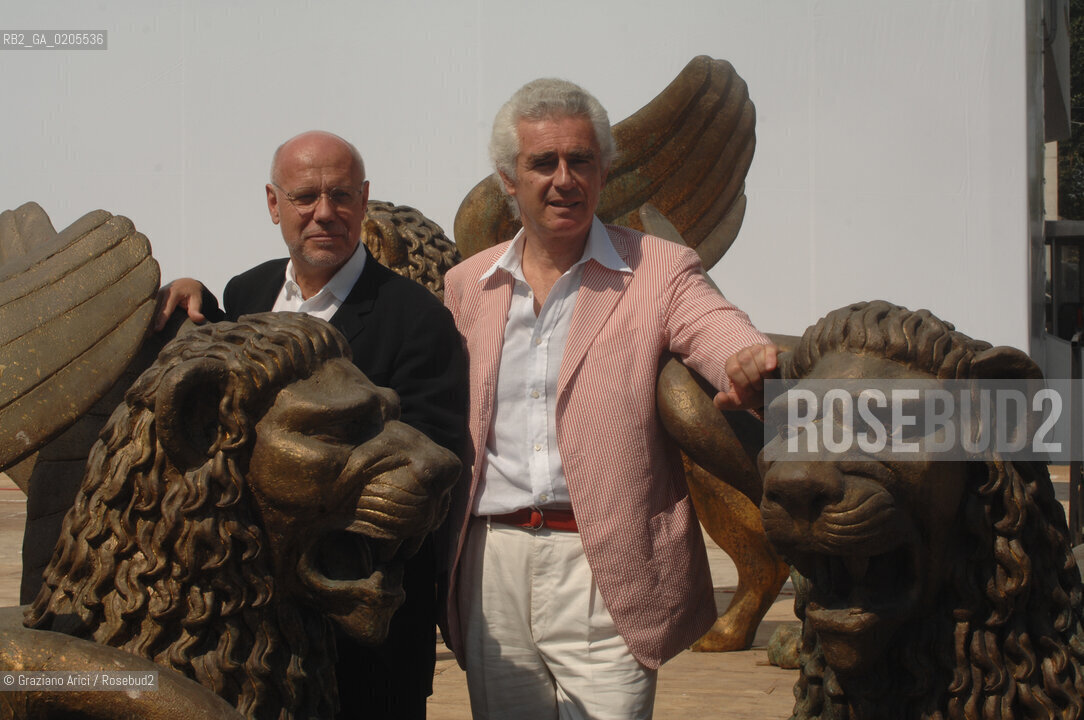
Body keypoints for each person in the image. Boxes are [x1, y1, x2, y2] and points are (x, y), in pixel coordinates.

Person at [441, 79, 778, 719]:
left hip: (606, 565)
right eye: (543, 163)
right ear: (509, 181)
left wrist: (746, 361)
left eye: (581, 160)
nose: (564, 179)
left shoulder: (659, 267)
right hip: (492, 563)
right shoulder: (468, 285)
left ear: (603, 170)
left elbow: (717, 329)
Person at [155, 130, 466, 720]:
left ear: (364, 200)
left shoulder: (418, 319)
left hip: (361, 644)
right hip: (254, 639)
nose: (324, 214)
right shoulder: (247, 293)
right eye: (304, 198)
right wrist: (191, 294)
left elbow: (431, 468)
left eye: (341, 196)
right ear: (274, 204)